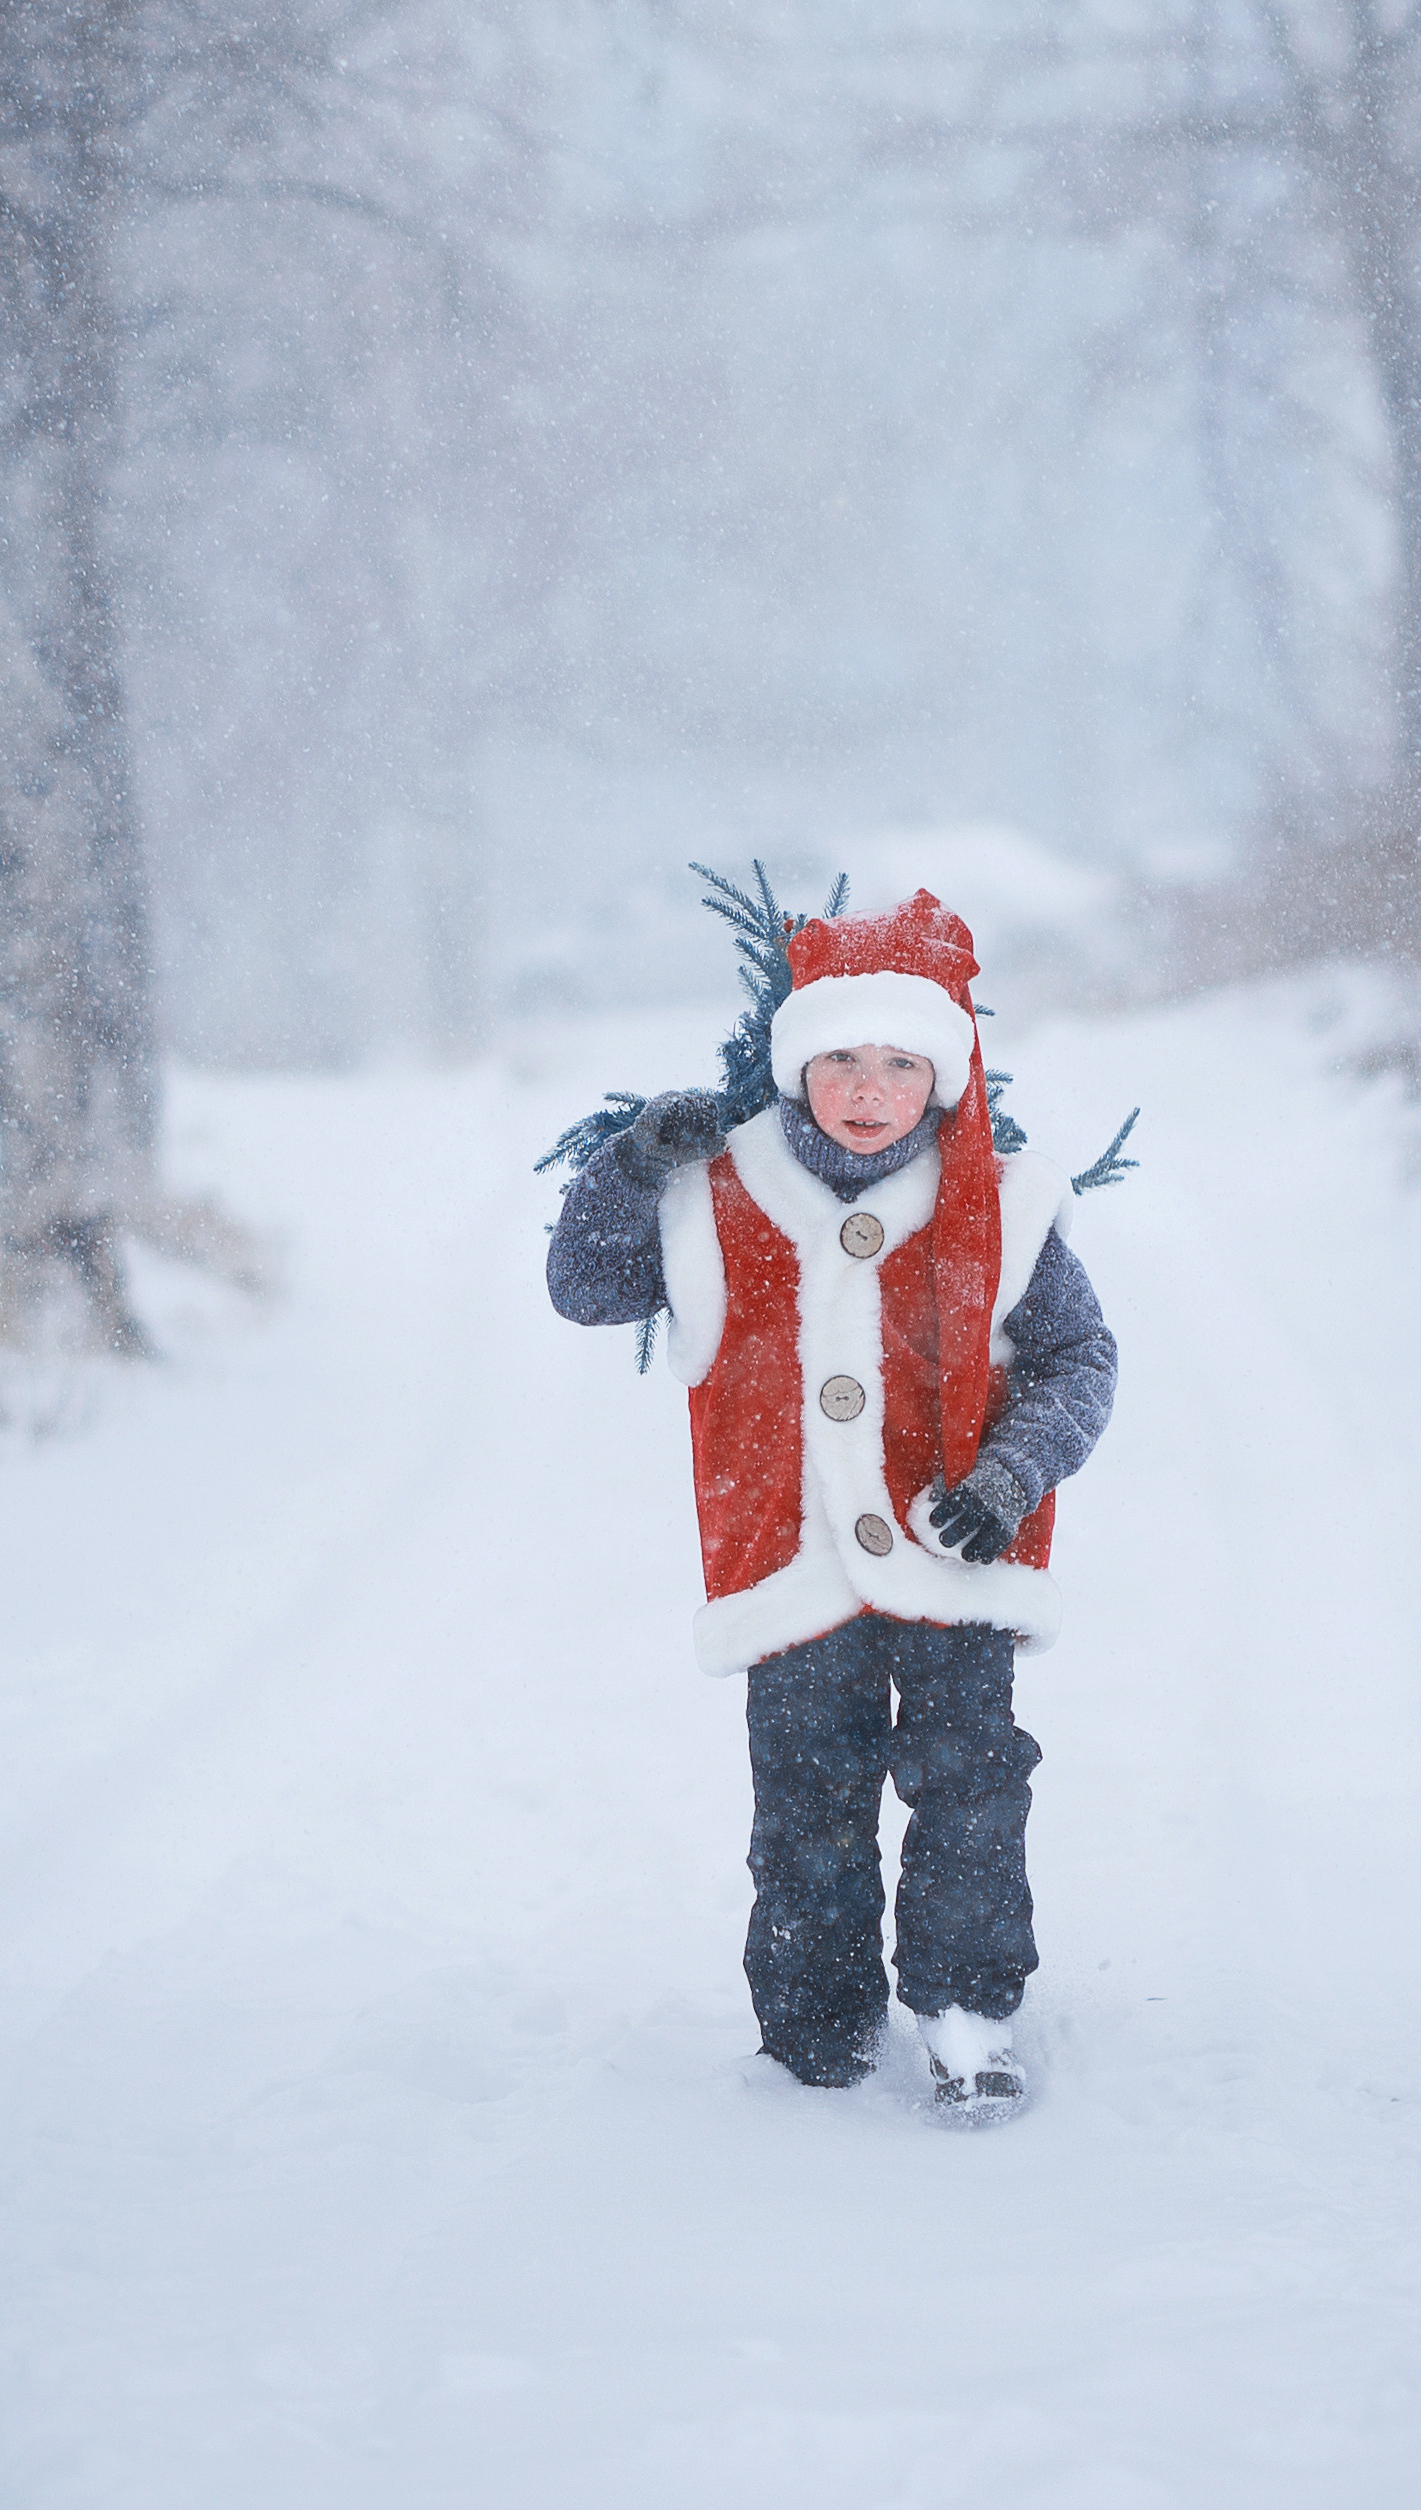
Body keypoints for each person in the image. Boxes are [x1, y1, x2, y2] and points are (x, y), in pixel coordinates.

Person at [546, 887, 1117, 2116]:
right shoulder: (718, 1194)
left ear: (942, 1077)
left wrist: (1011, 1473)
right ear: (797, 1068)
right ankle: (816, 2031)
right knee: (807, 1802)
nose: (868, 1089)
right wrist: (633, 1162)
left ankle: (967, 2012)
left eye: (901, 1063)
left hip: (955, 1547)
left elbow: (1077, 1361)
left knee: (970, 1785)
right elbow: (584, 1285)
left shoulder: (1001, 1205)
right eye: (841, 1060)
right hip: (787, 1562)